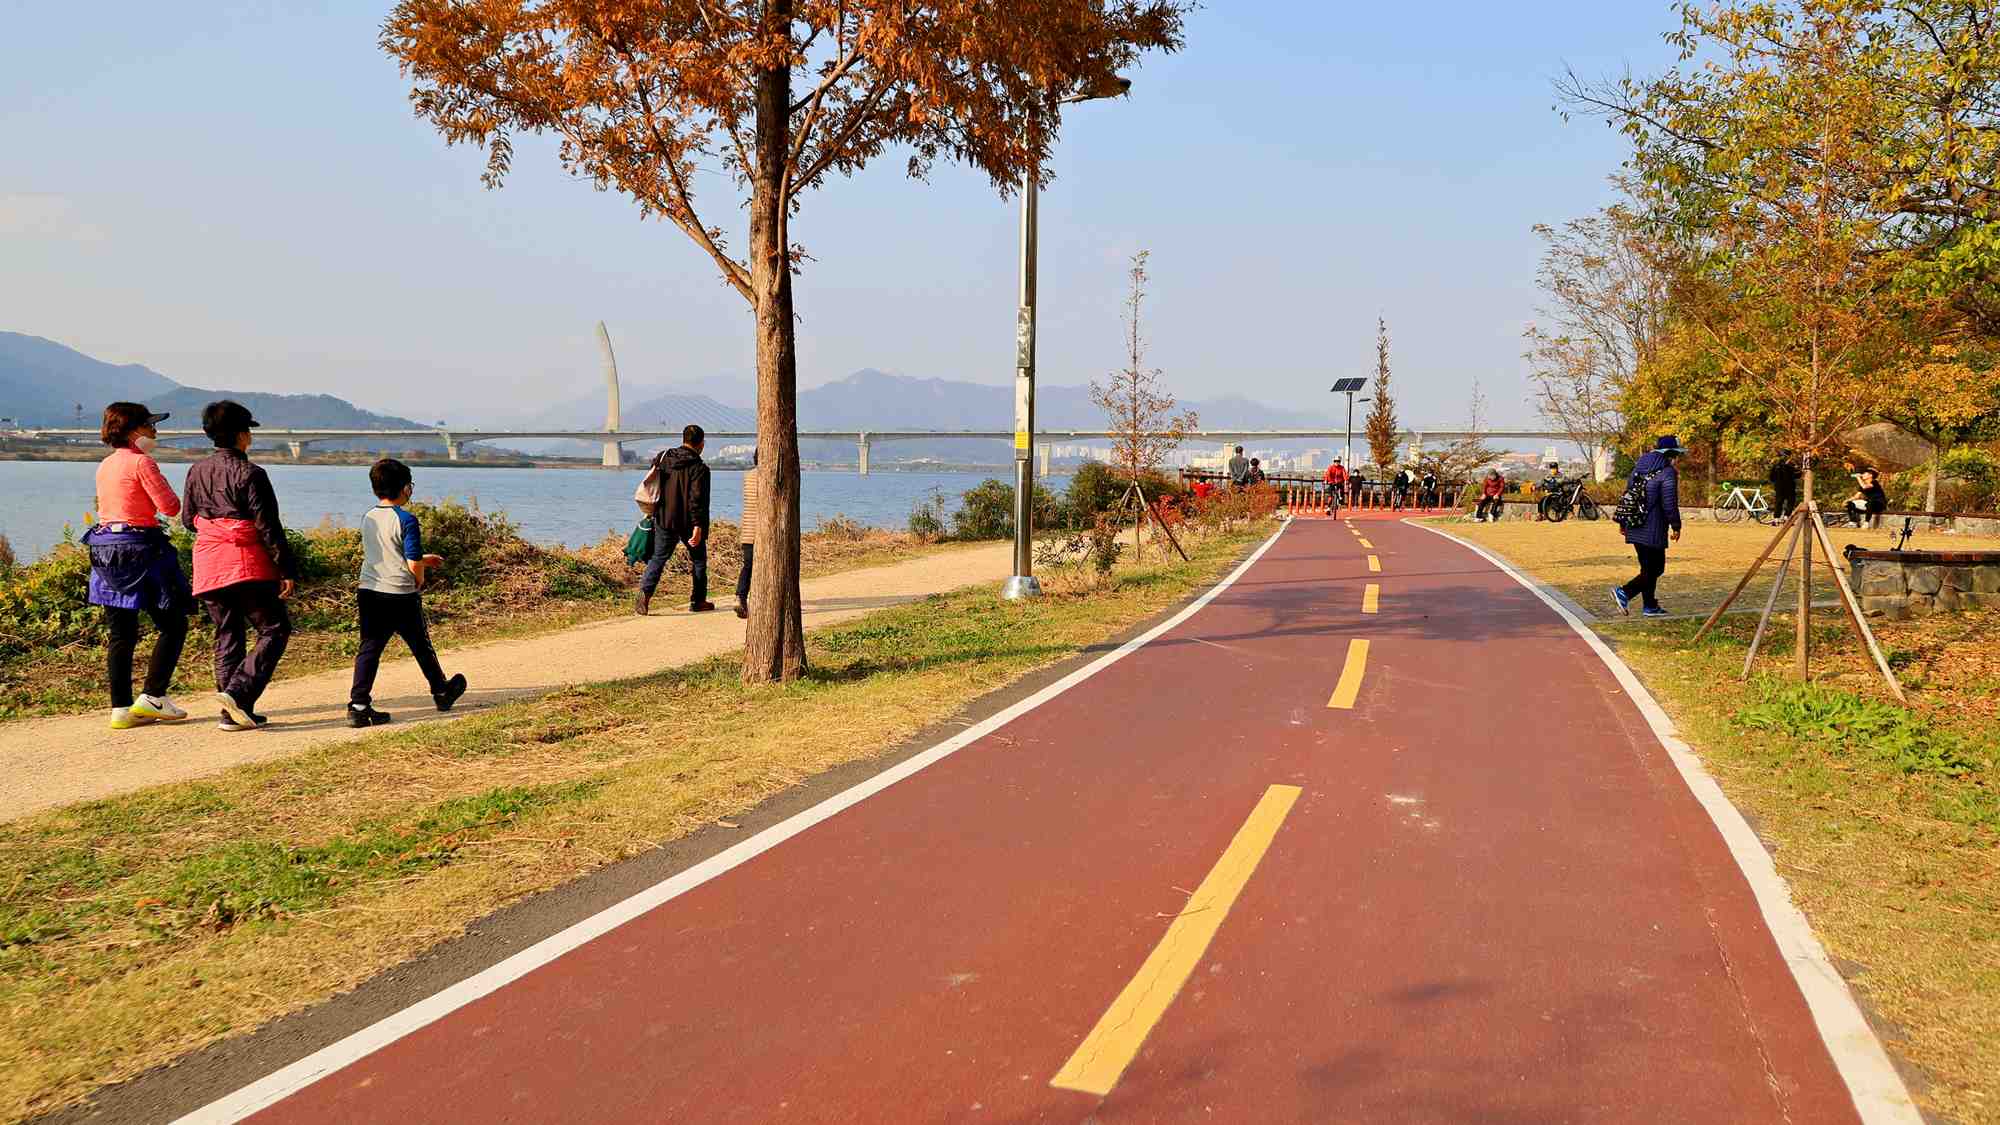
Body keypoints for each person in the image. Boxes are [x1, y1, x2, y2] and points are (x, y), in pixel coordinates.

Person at [182, 400, 298, 730]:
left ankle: (232, 711)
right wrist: (286, 569)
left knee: (227, 635)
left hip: (209, 563)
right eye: (248, 430)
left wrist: (215, 528)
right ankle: (238, 693)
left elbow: (188, 520)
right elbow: (268, 527)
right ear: (241, 435)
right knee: (275, 629)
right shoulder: (252, 473)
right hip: (246, 564)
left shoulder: (196, 470)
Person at [85, 402, 193, 729]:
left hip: (104, 552)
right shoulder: (143, 463)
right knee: (173, 623)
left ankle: (120, 708)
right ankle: (153, 696)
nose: (155, 431)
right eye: (150, 426)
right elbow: (170, 507)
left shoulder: (104, 465)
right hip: (142, 551)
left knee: (121, 632)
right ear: (134, 431)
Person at [345, 459, 469, 727]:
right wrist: (419, 577)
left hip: (370, 590)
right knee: (421, 645)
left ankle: (358, 706)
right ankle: (441, 691)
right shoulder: (407, 519)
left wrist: (424, 559)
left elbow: (389, 553)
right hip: (400, 594)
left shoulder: (369, 516)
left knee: (369, 648)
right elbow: (410, 560)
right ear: (405, 488)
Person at [637, 424, 714, 615]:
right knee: (698, 561)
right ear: (701, 444)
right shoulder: (700, 468)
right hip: (689, 521)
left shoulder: (664, 458)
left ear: (684, 439)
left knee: (659, 558)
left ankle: (644, 595)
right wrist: (698, 525)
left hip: (664, 517)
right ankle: (698, 601)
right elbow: (697, 499)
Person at [1611, 435, 1686, 618]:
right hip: (1653, 528)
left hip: (1634, 524)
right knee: (1656, 569)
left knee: (1647, 568)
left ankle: (1650, 606)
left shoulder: (1638, 468)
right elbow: (1669, 503)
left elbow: (1627, 495)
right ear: (1671, 454)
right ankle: (1625, 592)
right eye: (1676, 454)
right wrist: (1676, 526)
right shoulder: (1667, 472)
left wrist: (1623, 522)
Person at [734, 449, 759, 620]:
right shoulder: (770, 476)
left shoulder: (748, 476)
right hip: (764, 531)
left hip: (748, 529)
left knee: (748, 566)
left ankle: (740, 597)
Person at [1769, 456, 1800, 520]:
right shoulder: (1791, 467)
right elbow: (1797, 476)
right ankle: (1786, 516)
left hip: (1779, 487)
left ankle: (1776, 518)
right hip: (1790, 487)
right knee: (1791, 501)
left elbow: (1771, 477)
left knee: (1778, 502)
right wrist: (1800, 471)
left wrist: (1777, 482)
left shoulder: (1776, 466)